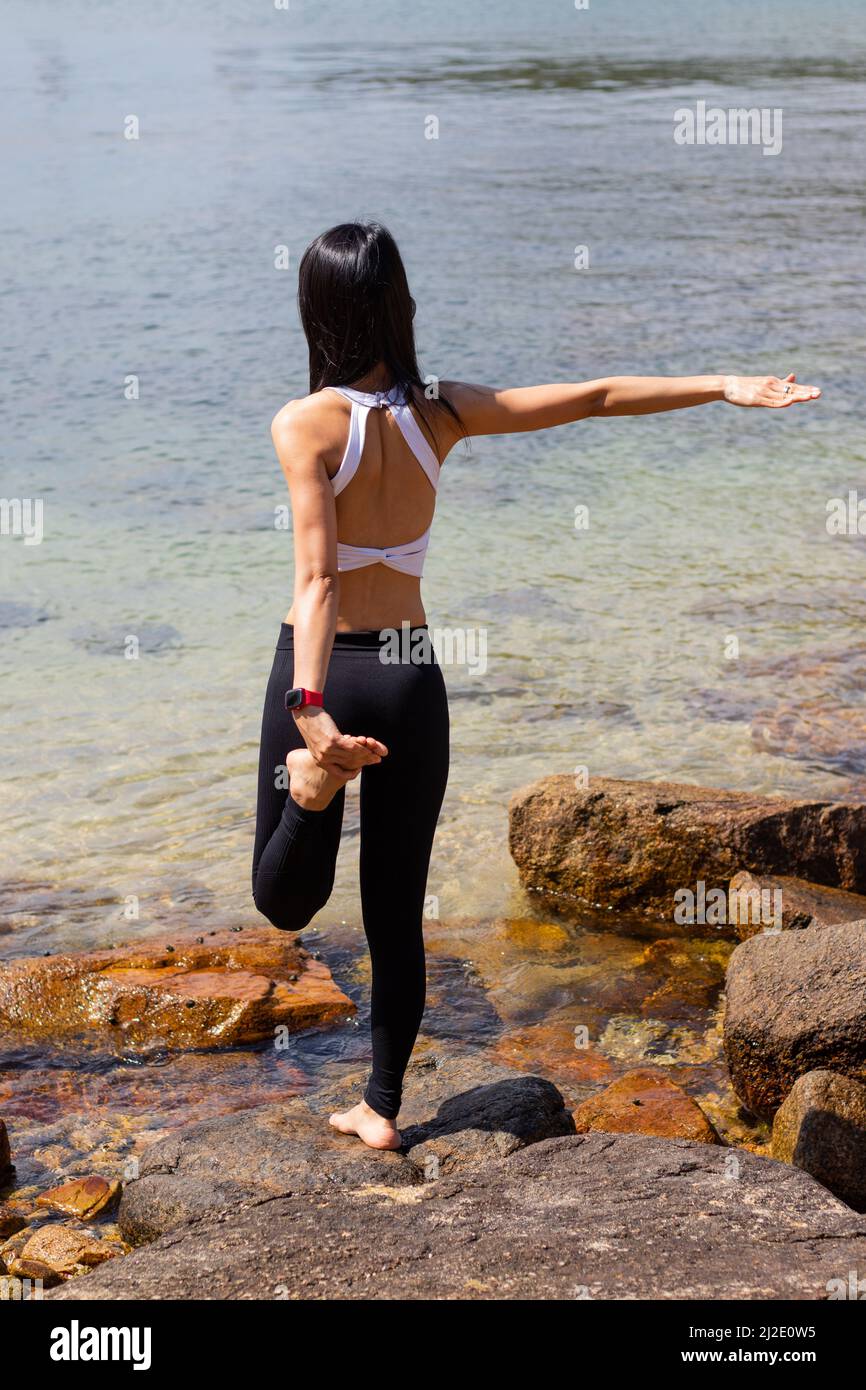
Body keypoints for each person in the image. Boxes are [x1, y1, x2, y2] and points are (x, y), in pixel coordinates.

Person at [252, 220, 820, 1150]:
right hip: (409, 677)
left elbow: (316, 581)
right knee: (397, 908)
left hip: (328, 671)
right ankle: (382, 1109)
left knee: (283, 903)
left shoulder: (303, 422)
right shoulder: (444, 413)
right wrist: (722, 385)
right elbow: (594, 395)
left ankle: (313, 798)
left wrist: (309, 714)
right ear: (398, 306)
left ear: (318, 310)